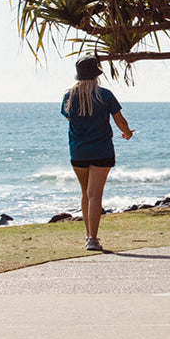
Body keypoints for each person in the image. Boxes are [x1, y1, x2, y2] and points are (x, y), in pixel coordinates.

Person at [62, 56, 133, 251]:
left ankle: (88, 236)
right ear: (96, 75)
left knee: (86, 193)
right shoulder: (105, 95)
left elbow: (70, 119)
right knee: (95, 195)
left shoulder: (69, 96)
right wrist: (127, 133)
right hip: (102, 150)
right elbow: (119, 119)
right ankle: (93, 238)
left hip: (78, 150)